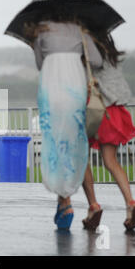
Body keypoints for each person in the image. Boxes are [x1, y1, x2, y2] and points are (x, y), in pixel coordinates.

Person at [26, 17, 103, 230]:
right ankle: (79, 200)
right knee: (75, 143)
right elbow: (96, 61)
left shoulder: (42, 32)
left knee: (55, 141)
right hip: (75, 90)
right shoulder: (80, 31)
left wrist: (37, 45)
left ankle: (65, 202)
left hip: (51, 91)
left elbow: (40, 64)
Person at [81, 33, 135, 231]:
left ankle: (93, 206)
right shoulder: (112, 55)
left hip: (96, 110)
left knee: (82, 157)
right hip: (115, 111)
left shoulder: (90, 52)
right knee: (111, 161)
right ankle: (131, 203)